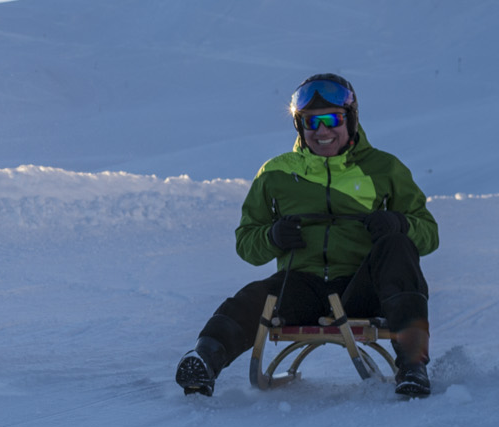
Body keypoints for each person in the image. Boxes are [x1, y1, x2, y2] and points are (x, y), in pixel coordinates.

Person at [174, 73, 437, 399]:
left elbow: (428, 234)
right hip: (301, 285)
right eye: (312, 122)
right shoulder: (276, 173)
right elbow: (246, 243)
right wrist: (273, 236)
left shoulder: (385, 169)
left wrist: (399, 224)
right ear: (300, 126)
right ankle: (204, 359)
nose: (322, 131)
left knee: (398, 246)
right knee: (254, 297)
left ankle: (412, 366)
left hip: (362, 287)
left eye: (332, 119)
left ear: (351, 119)